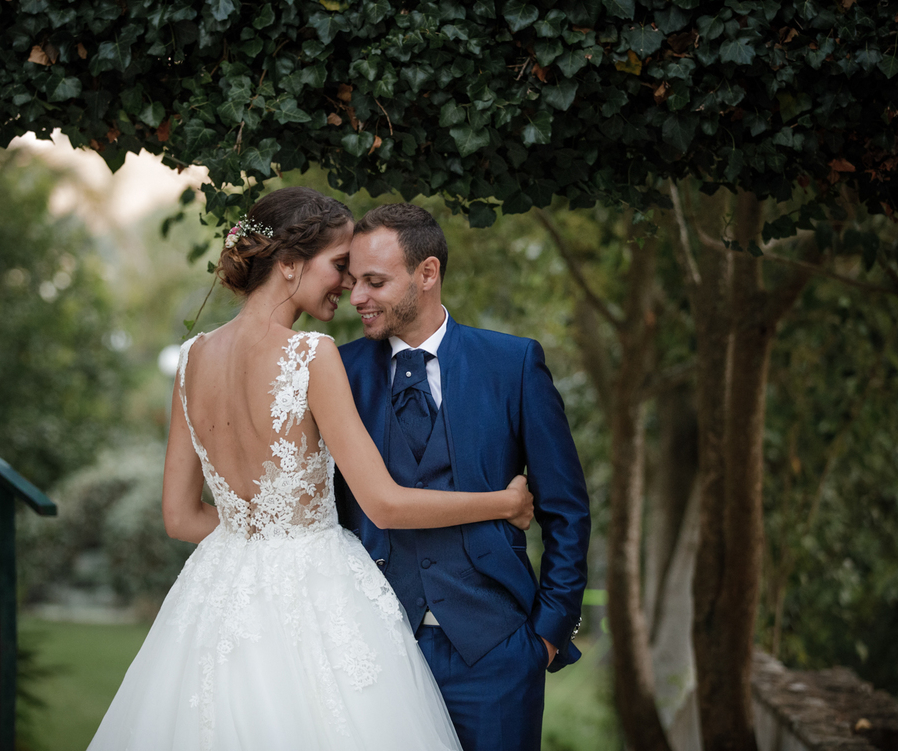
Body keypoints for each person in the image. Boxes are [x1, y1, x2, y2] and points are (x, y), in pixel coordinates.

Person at [86, 186, 535, 751]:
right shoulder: (311, 354)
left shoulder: (191, 359)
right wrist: (506, 503)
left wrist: (256, 541)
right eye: (340, 266)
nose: (349, 285)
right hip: (318, 586)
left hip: (221, 592)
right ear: (292, 265)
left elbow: (178, 516)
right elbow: (385, 504)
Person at [335, 203, 591, 751]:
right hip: (374, 649)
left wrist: (546, 635)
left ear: (427, 274)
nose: (356, 297)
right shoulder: (337, 372)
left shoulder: (513, 363)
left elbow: (566, 510)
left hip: (497, 654)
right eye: (353, 280)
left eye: (374, 281)